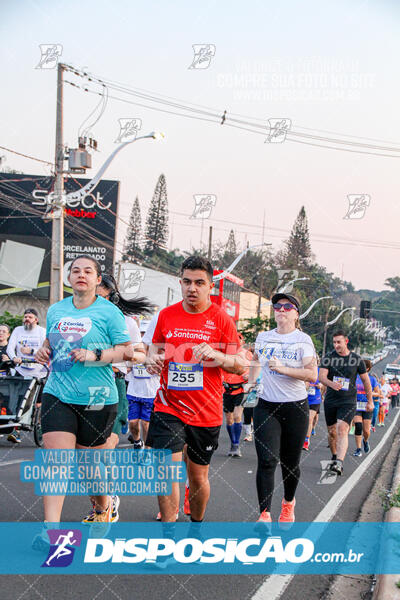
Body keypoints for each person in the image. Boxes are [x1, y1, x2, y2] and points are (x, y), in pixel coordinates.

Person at [34, 255, 145, 533]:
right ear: (69, 278)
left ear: (98, 280)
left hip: (97, 396)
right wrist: (43, 350)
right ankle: (51, 530)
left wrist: (94, 354)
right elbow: (50, 341)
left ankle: (103, 507)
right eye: (75, 271)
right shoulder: (57, 310)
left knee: (90, 469)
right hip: (58, 393)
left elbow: (127, 351)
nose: (80, 275)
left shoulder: (109, 313)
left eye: (87, 271)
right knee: (56, 463)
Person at [146, 255, 246, 523]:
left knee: (198, 476)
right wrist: (152, 361)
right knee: (166, 471)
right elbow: (153, 353)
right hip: (168, 405)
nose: (192, 288)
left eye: (199, 283)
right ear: (180, 282)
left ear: (210, 286)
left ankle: (196, 525)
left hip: (206, 410)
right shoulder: (166, 316)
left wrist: (217, 355)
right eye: (187, 282)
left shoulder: (222, 320)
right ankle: (167, 536)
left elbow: (239, 366)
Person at [81, 272, 152, 525]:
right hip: (84, 388)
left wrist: (126, 355)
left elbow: (141, 355)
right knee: (87, 455)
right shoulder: (82, 321)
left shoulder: (126, 322)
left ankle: (107, 504)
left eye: (100, 296)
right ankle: (100, 504)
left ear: (111, 297)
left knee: (104, 450)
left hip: (113, 384)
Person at [246, 293, 317, 525]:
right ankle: (264, 514)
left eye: (287, 306)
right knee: (266, 460)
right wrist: (251, 382)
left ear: (296, 313)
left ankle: (288, 503)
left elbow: (312, 375)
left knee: (290, 462)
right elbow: (256, 361)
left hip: (295, 407)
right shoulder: (263, 337)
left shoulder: (303, 340)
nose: (281, 310)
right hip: (266, 405)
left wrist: (284, 369)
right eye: (277, 306)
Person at [319, 330, 373, 476]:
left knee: (342, 429)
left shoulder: (356, 359)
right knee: (332, 432)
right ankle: (335, 456)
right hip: (331, 400)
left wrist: (370, 401)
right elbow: (321, 377)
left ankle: (339, 463)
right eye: (334, 342)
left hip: (348, 401)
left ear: (346, 341)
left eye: (339, 342)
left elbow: (366, 381)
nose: (336, 345)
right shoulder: (329, 357)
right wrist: (331, 384)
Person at [6, 309, 47, 443]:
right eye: (25, 317)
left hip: (38, 371)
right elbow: (10, 348)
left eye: (30, 317)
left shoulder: (42, 331)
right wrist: (14, 357)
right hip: (22, 370)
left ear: (36, 319)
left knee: (37, 402)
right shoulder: (18, 330)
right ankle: (16, 430)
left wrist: (32, 351)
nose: (27, 319)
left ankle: (39, 423)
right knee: (19, 400)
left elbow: (46, 350)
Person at [126, 319, 160, 449]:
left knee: (146, 424)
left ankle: (147, 449)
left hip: (150, 393)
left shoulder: (156, 352)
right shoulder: (134, 350)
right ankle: (137, 442)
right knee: (133, 423)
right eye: (141, 333)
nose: (143, 336)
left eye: (145, 333)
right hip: (134, 391)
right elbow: (127, 368)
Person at [222, 333, 251, 458]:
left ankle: (236, 445)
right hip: (227, 390)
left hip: (242, 389)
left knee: (237, 416)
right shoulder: (224, 354)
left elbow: (256, 367)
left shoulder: (247, 354)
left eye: (239, 340)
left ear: (242, 342)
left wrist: (250, 375)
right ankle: (233, 443)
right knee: (229, 420)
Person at [353, 359, 379, 456]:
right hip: (356, 405)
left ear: (367, 368)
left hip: (367, 406)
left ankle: (365, 440)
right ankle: (358, 449)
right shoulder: (354, 377)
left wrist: (370, 393)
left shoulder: (372, 379)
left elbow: (378, 393)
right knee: (358, 426)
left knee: (366, 431)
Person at [303, 359, 323, 451]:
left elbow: (324, 384)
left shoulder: (320, 371)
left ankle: (306, 440)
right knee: (303, 420)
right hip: (303, 398)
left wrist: (321, 386)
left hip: (315, 399)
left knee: (310, 419)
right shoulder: (303, 370)